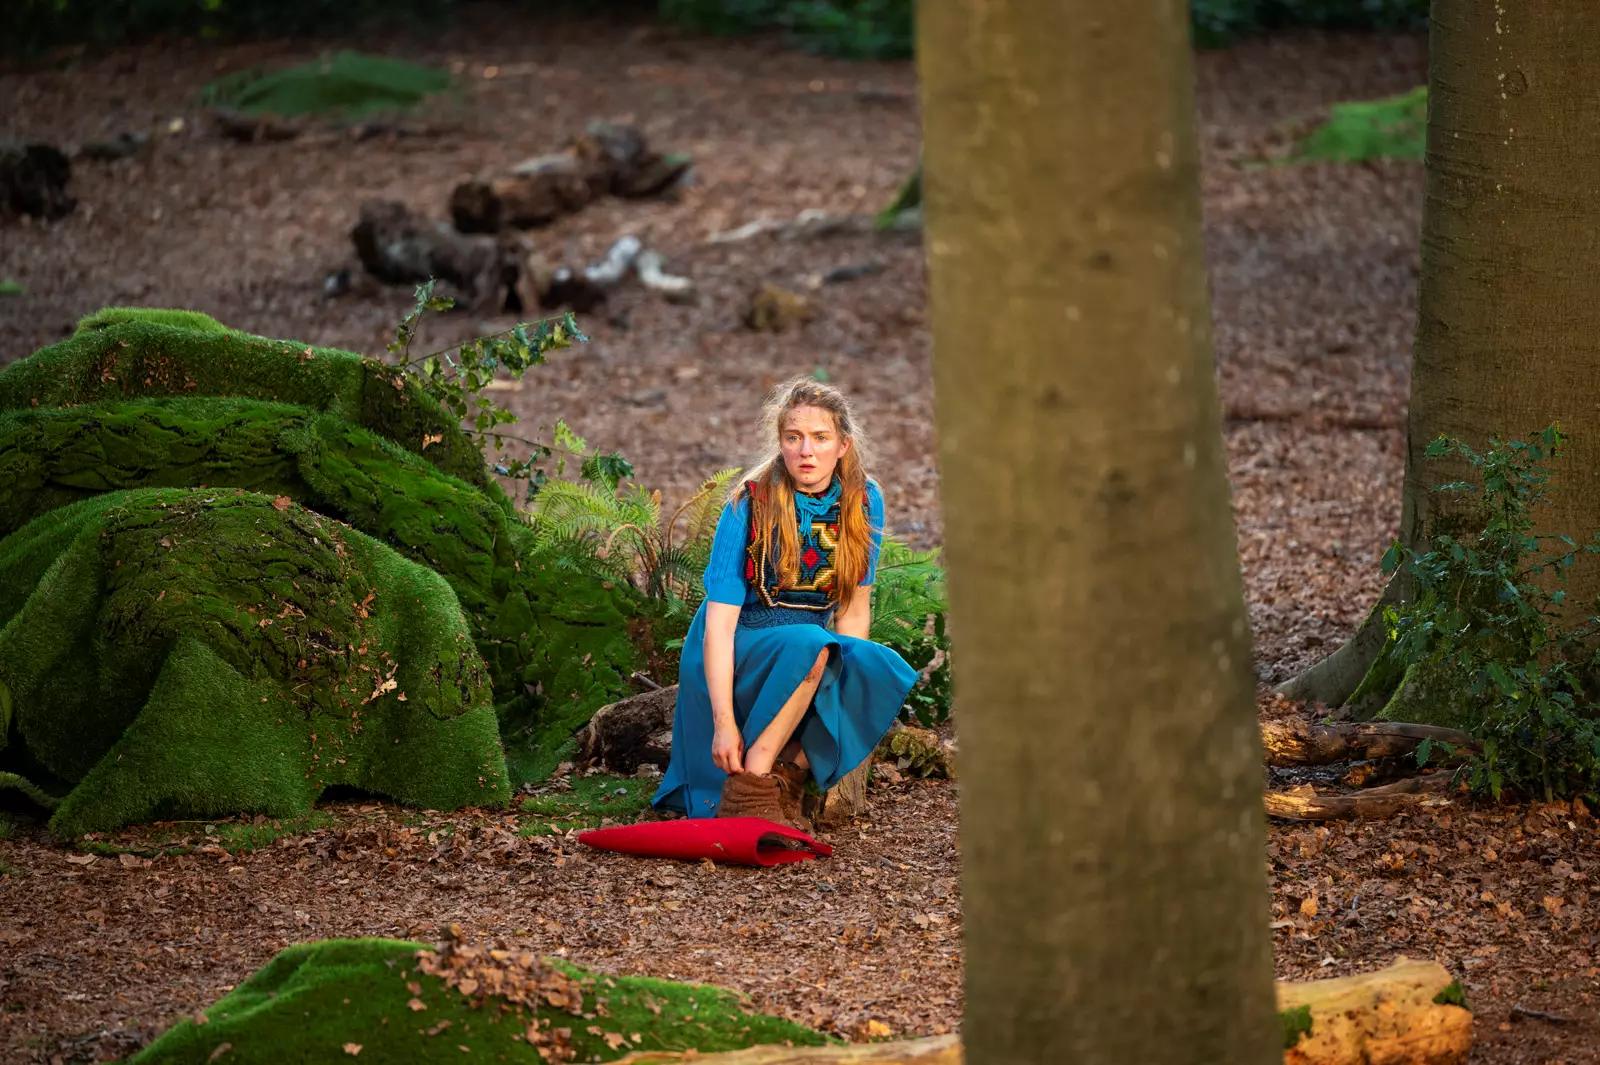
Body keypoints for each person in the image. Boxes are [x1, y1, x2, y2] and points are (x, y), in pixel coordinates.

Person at [651, 377, 918, 832]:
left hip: (810, 644)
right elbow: (718, 626)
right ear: (781, 442)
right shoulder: (748, 503)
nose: (806, 452)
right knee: (813, 645)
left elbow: (853, 610)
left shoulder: (864, 499)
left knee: (874, 664)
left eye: (820, 438)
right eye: (793, 438)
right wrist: (723, 724)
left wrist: (844, 680)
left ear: (843, 445)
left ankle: (785, 778)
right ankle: (750, 785)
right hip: (740, 641)